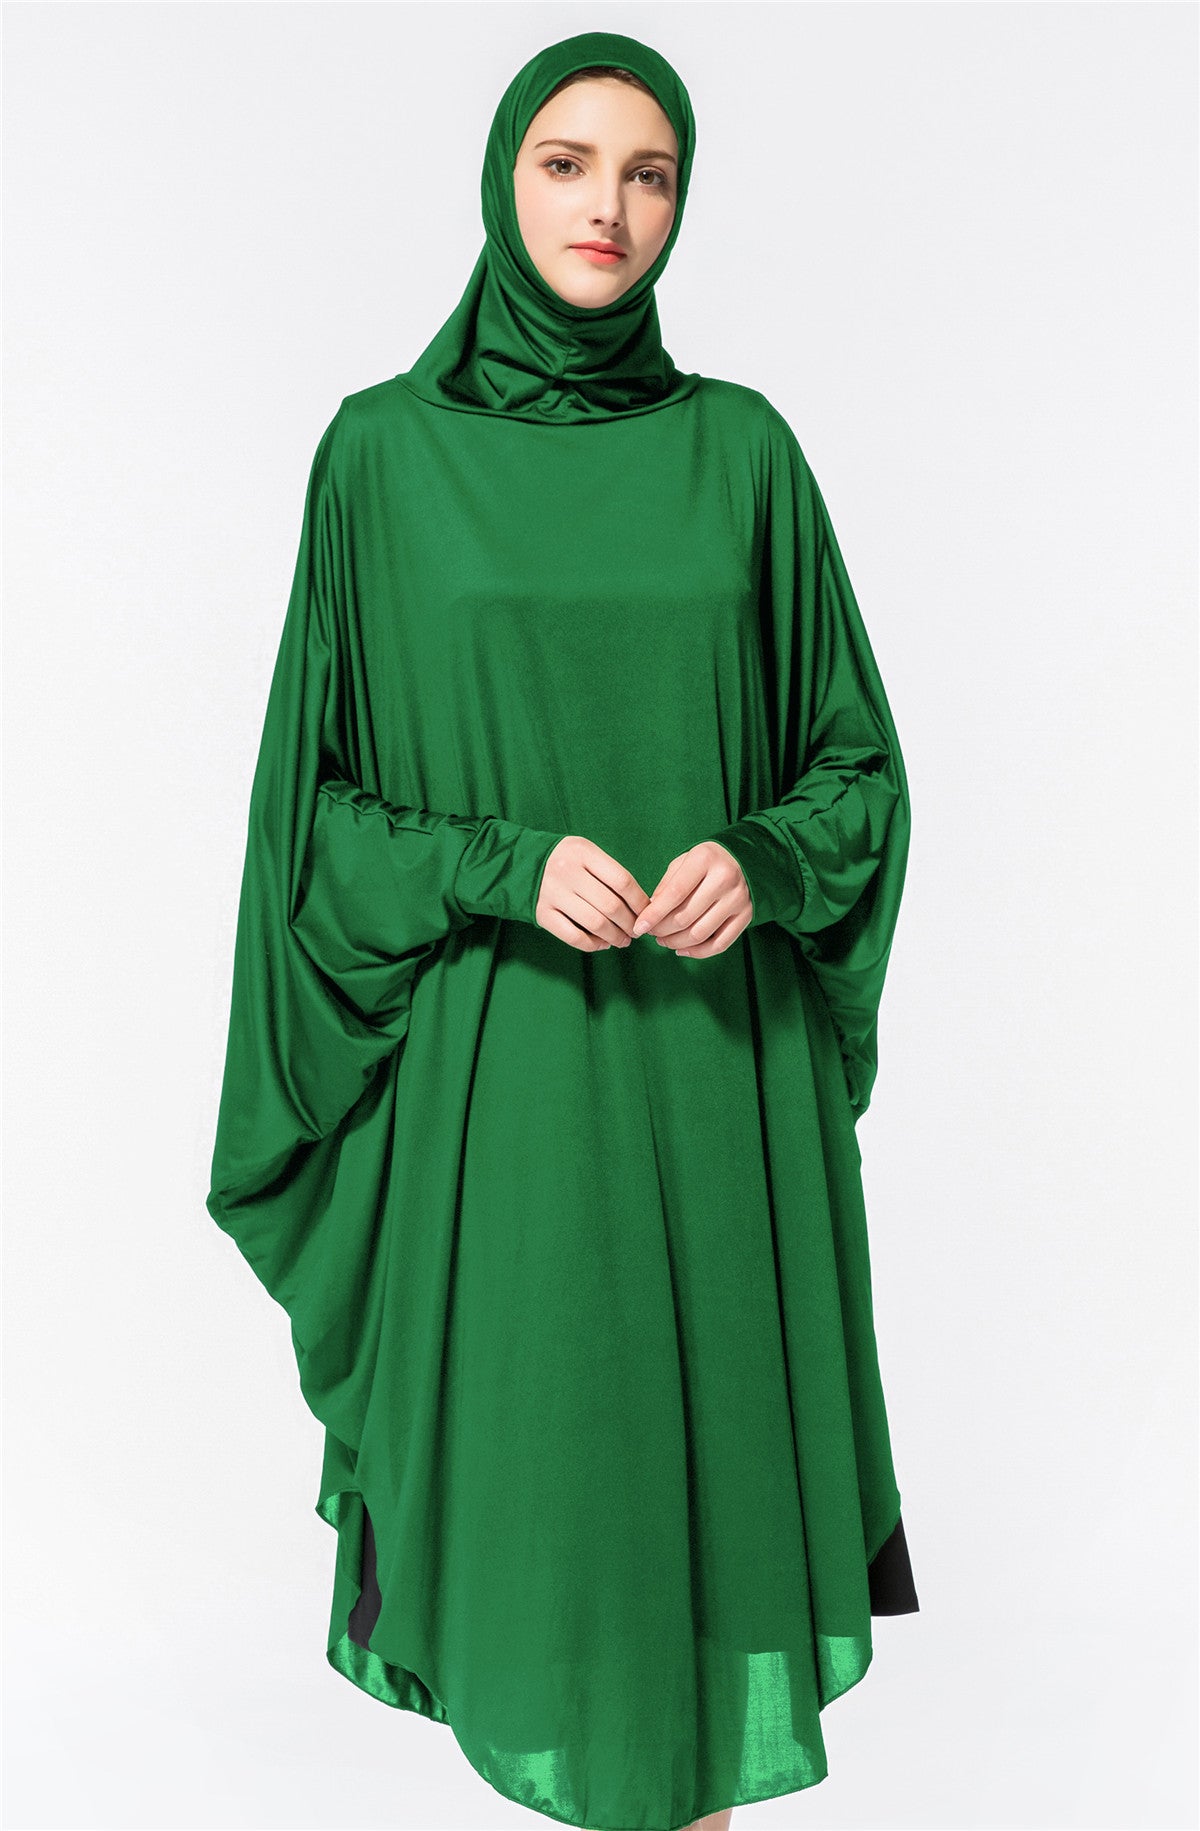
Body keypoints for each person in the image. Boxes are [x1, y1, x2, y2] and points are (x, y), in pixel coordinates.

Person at [206, 28, 919, 1831]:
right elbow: (315, 825)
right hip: (508, 1095)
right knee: (559, 1548)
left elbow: (858, 771)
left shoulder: (743, 455)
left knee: (703, 1578)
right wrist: (500, 864)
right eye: (568, 162)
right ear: (503, 180)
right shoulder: (382, 459)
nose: (609, 205)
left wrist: (762, 856)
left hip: (717, 1077)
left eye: (649, 173)